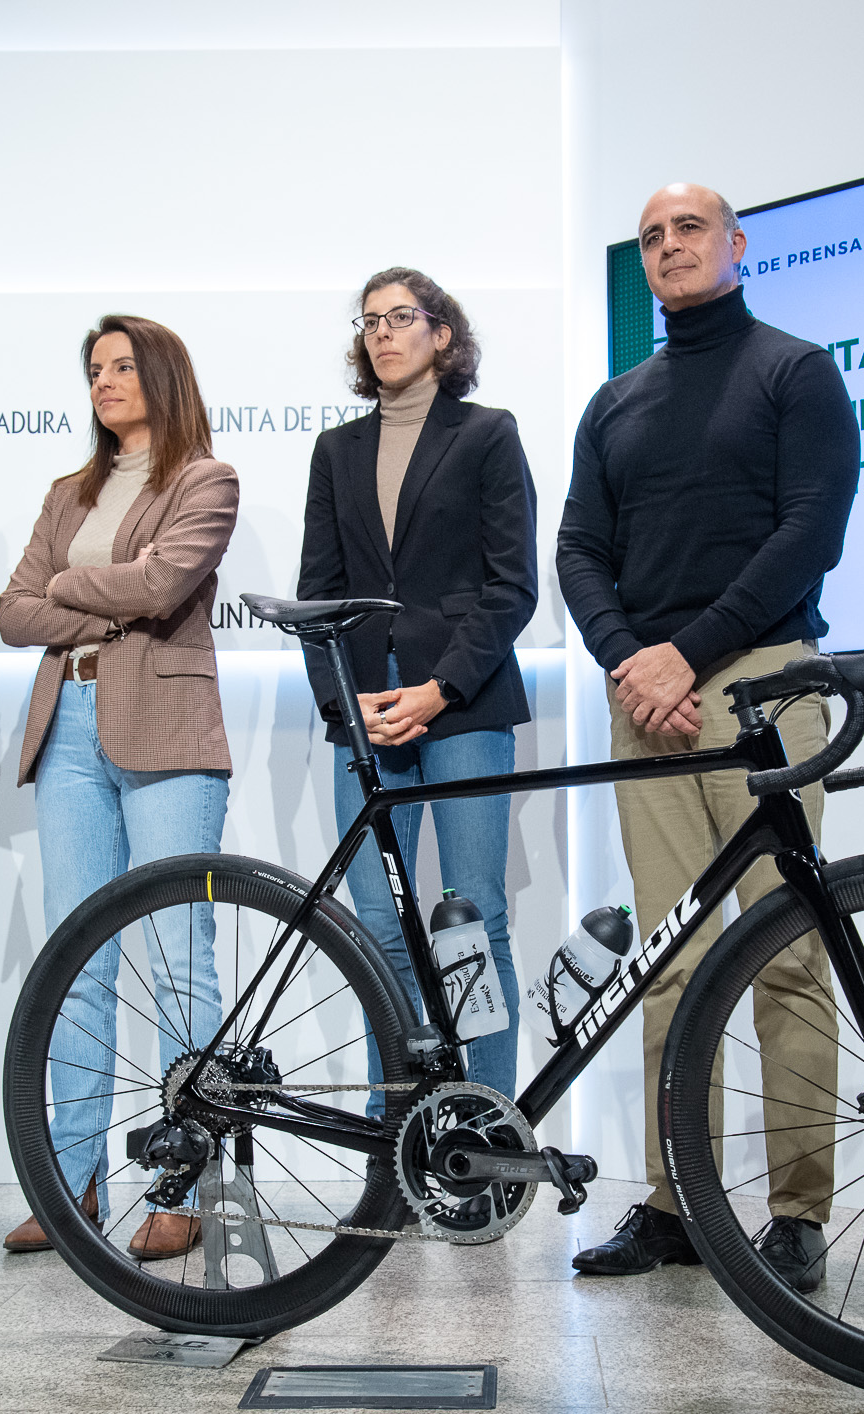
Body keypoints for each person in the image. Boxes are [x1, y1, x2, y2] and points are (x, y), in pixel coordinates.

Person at [556, 185, 858, 1284]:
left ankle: (796, 1214)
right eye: (650, 236)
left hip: (763, 680)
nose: (668, 246)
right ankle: (676, 1199)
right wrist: (629, 658)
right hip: (646, 694)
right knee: (667, 961)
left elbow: (810, 531)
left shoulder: (795, 369)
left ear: (736, 246)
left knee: (784, 948)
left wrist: (692, 650)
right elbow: (579, 548)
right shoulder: (616, 401)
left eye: (688, 229)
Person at [0, 315, 239, 1260]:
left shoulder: (205, 480)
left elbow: (164, 584)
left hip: (167, 729)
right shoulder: (69, 490)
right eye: (93, 369)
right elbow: (16, 613)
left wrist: (70, 586)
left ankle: (186, 1185)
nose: (102, 381)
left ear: (163, 376)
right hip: (67, 732)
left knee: (181, 963)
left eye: (121, 366)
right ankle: (74, 1185)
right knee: (78, 965)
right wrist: (93, 587)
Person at [297, 267, 538, 1123]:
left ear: (442, 332)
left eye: (402, 317)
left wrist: (438, 689)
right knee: (376, 931)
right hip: (366, 713)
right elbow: (315, 594)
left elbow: (512, 588)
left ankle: (489, 1132)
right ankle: (396, 1134)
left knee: (472, 920)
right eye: (369, 322)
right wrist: (342, 702)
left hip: (463, 702)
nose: (384, 333)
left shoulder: (486, 434)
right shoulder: (336, 450)